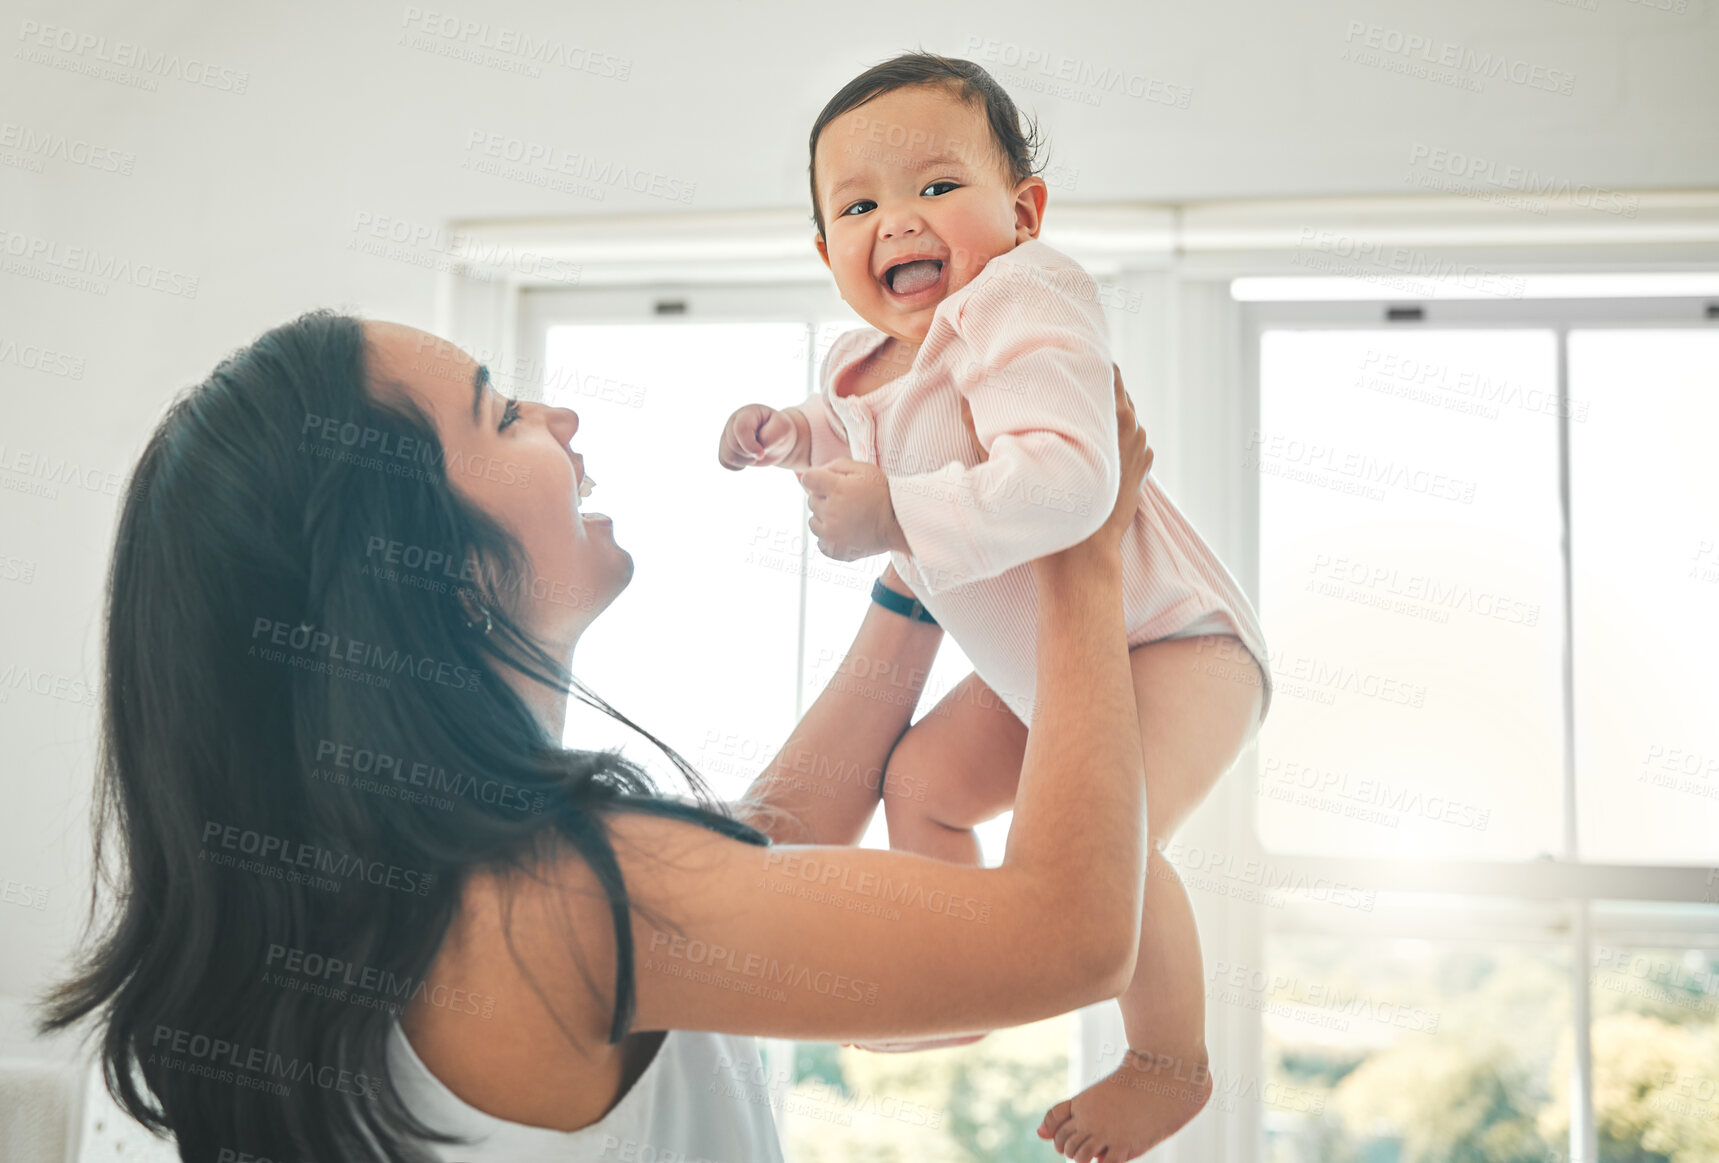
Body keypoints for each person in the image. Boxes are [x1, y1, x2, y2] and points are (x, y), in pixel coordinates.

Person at [38, 310, 1154, 1163]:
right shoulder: (555, 897)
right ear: (426, 567)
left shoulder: (409, 892)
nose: (558, 418)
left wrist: (920, 559)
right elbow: (1071, 930)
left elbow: (757, 851)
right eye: (500, 413)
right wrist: (1080, 544)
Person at [717, 52, 1271, 1160]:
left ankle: (1169, 1058)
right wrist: (789, 433)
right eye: (860, 205)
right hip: (1038, 672)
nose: (899, 222)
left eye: (936, 187)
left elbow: (1072, 480)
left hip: (1170, 642)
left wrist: (894, 517)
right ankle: (954, 982)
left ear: (1023, 213)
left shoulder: (1025, 298)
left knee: (1111, 842)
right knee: (922, 779)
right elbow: (866, 436)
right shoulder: (862, 364)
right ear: (827, 253)